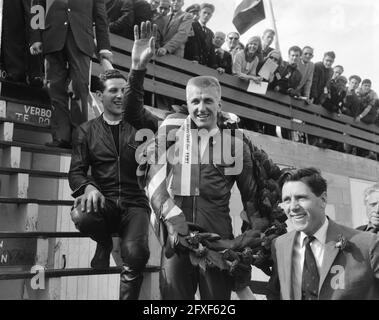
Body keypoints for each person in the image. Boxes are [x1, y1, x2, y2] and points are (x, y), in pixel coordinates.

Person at [68, 22, 160, 300]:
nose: (120, 95)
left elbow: (167, 128)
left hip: (135, 203)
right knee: (80, 214)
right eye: (113, 91)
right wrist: (88, 188)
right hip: (104, 201)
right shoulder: (85, 131)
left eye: (124, 90)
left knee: (136, 254)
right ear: (99, 95)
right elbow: (76, 171)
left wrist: (137, 67)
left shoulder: (140, 122)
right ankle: (105, 241)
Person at [268, 167, 379, 300]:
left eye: (301, 198)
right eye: (286, 200)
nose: (293, 207)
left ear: (323, 199)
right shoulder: (279, 245)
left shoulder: (367, 244)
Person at [30, 0, 113, 148]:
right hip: (52, 36)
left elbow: (101, 17)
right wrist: (35, 37)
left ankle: (79, 138)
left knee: (80, 87)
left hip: (81, 38)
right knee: (54, 87)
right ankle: (61, 137)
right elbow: (37, 6)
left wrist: (103, 47)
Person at [184, 3, 216, 68]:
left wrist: (215, 66)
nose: (206, 15)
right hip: (189, 62)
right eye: (204, 12)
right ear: (199, 13)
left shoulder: (210, 33)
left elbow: (211, 51)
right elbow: (190, 44)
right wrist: (194, 59)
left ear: (211, 16)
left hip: (202, 66)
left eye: (209, 14)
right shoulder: (191, 25)